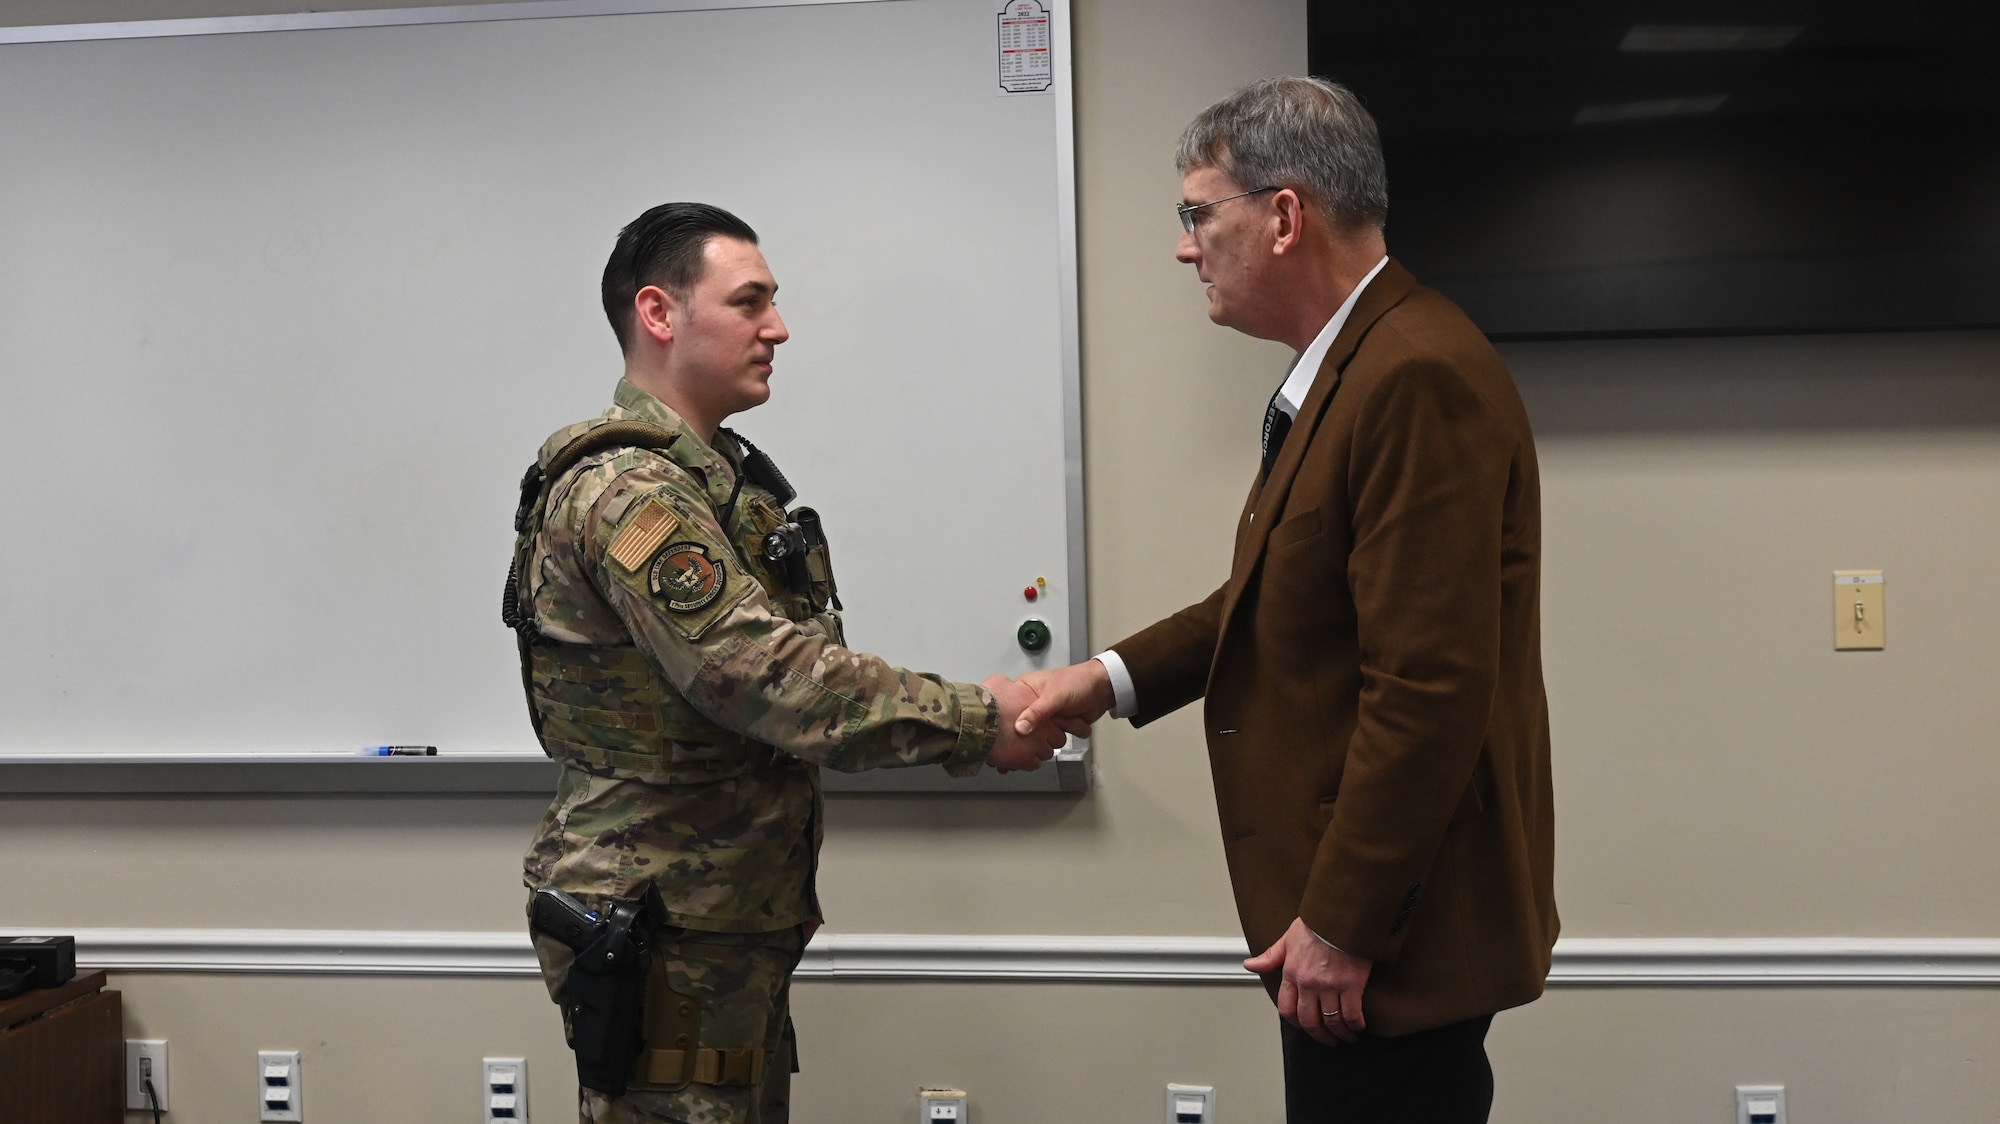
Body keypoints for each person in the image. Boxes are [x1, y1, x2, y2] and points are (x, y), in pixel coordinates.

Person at [1011, 77, 1558, 1123]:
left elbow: (1428, 681)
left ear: (1282, 214)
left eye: (1195, 214)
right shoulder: (1354, 366)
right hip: (1364, 927)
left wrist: (1344, 922)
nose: (1184, 247)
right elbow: (1280, 597)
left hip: (1387, 940)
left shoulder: (1410, 374)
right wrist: (1107, 679)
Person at [507, 202, 1067, 1124]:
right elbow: (771, 680)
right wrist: (978, 717)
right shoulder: (631, 495)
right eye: (750, 301)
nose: (779, 327)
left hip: (718, 911)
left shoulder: (717, 479)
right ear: (660, 314)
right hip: (665, 922)